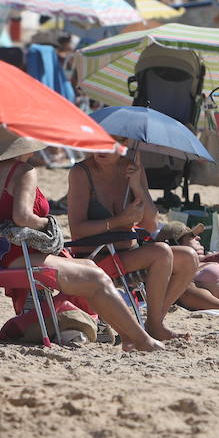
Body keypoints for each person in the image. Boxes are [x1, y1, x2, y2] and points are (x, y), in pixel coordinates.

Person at [0, 132, 164, 351]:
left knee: (91, 267)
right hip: (14, 257)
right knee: (96, 277)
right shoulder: (24, 171)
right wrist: (46, 224)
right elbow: (22, 217)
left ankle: (124, 333)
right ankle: (140, 339)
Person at [67, 143, 200, 341]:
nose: (102, 148)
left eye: (110, 143)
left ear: (124, 145)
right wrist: (118, 221)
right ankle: (155, 325)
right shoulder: (81, 172)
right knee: (162, 253)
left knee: (189, 257)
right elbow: (77, 230)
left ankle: (154, 321)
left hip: (127, 255)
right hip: (94, 258)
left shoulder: (132, 170)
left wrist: (137, 186)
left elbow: (151, 224)